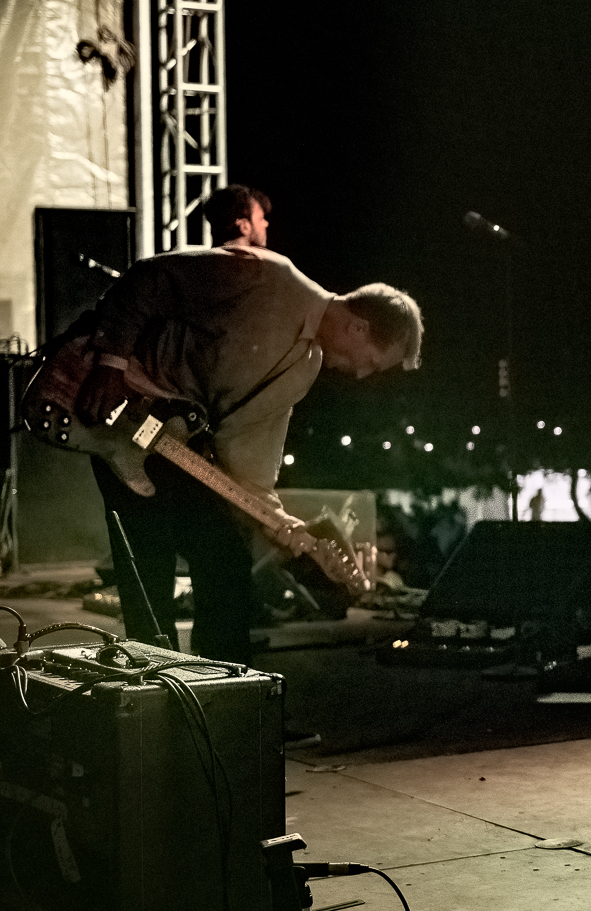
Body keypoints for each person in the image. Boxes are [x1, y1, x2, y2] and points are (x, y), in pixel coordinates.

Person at [74, 246, 423, 663]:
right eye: (371, 363)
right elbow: (148, 279)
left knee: (226, 558)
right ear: (358, 327)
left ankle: (229, 685)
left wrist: (278, 520)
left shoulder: (305, 367)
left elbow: (249, 451)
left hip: (178, 448)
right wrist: (111, 364)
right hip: (122, 417)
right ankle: (153, 683)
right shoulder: (265, 275)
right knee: (149, 561)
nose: (361, 374)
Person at [200, 184, 274, 251]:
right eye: (261, 218)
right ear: (244, 226)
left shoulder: (199, 261)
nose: (266, 223)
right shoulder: (273, 261)